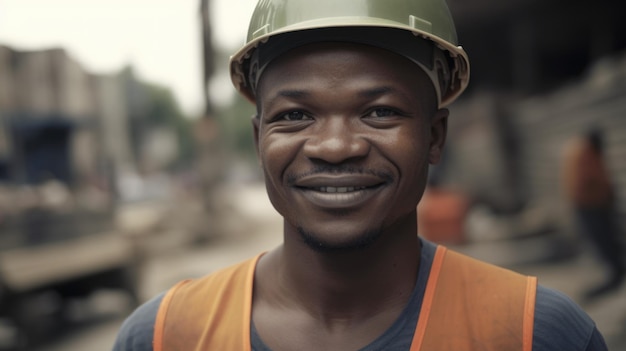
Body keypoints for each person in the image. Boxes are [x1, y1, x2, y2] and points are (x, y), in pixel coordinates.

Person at [114, 0, 608, 349]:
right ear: (257, 138)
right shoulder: (163, 336)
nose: (334, 147)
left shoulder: (534, 333)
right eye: (294, 116)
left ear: (435, 136)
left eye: (379, 113)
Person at [563, 128, 625, 301]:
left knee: (603, 240)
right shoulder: (585, 153)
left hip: (588, 205)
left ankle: (615, 272)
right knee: (603, 239)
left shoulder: (579, 150)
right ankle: (614, 273)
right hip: (591, 205)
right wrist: (607, 196)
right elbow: (591, 180)